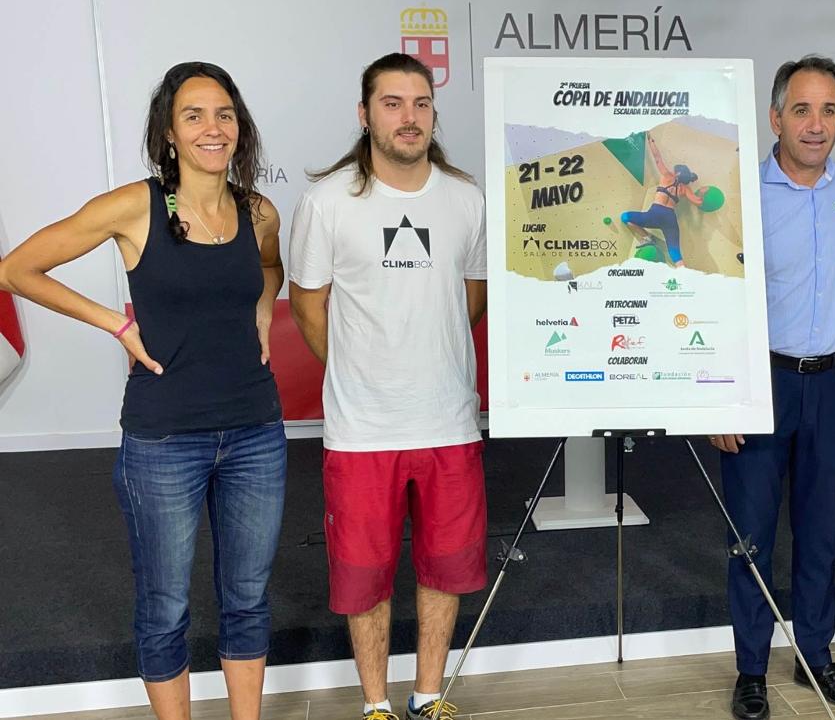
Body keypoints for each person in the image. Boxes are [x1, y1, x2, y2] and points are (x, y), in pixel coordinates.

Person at [0, 62, 286, 720]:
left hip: (255, 433)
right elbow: (17, 269)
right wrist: (115, 322)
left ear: (239, 128)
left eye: (224, 114)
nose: (212, 128)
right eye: (194, 116)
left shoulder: (258, 211)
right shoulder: (137, 206)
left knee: (247, 598)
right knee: (165, 606)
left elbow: (269, 266)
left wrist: (266, 307)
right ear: (169, 133)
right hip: (163, 441)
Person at [288, 52, 487, 720]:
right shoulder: (325, 202)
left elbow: (473, 297)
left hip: (448, 423)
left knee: (445, 567)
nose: (409, 118)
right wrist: (357, 367)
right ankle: (375, 705)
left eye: (421, 104)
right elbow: (308, 305)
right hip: (362, 431)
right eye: (393, 104)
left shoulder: (467, 199)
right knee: (364, 577)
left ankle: (428, 696)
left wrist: (429, 348)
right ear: (365, 113)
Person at [708, 55, 835, 720]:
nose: (815, 123)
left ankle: (815, 657)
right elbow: (713, 296)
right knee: (750, 534)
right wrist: (721, 393)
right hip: (759, 381)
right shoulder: (738, 192)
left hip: (833, 384)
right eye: (801, 109)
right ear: (774, 117)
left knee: (821, 530)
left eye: (829, 109)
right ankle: (751, 669)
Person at [620, 133, 706, 266]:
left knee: (626, 217)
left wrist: (650, 140)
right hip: (670, 218)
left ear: (677, 173)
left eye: (674, 169)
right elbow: (698, 202)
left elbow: (657, 157)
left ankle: (647, 238)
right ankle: (684, 273)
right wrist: (702, 192)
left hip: (655, 213)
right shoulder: (686, 189)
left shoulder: (667, 176)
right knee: (675, 253)